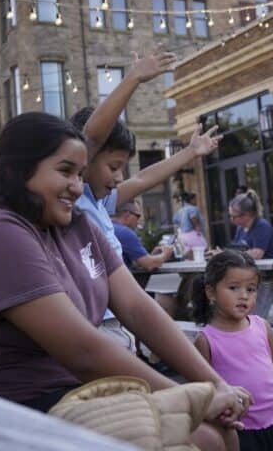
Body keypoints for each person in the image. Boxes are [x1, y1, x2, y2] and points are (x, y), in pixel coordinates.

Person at [0, 112, 250, 451]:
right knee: (206, 437)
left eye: (80, 174)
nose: (77, 187)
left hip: (75, 392)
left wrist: (215, 384)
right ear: (19, 170)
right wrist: (188, 398)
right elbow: (82, 350)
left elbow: (138, 308)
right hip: (12, 407)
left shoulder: (76, 224)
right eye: (65, 171)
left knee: (221, 431)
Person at [70, 50, 220, 356]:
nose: (119, 176)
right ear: (83, 160)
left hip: (118, 319)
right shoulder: (79, 195)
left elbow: (142, 180)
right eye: (113, 167)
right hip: (95, 323)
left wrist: (189, 153)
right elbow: (93, 135)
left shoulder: (101, 201)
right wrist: (134, 78)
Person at [191, 250, 273, 451]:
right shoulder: (205, 340)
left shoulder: (262, 326)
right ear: (211, 292)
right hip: (240, 429)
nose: (244, 296)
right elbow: (202, 391)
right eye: (233, 288)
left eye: (251, 289)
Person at [112, 199, 174, 272]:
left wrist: (151, 256)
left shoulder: (109, 228)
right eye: (138, 216)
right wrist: (165, 254)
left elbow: (134, 263)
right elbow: (150, 265)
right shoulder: (125, 232)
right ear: (127, 215)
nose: (139, 221)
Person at [227, 190, 273, 260]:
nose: (231, 219)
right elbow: (235, 249)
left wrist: (229, 254)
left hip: (266, 270)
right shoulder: (240, 228)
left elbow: (256, 255)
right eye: (230, 216)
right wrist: (221, 253)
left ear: (247, 214)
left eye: (234, 216)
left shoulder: (262, 226)